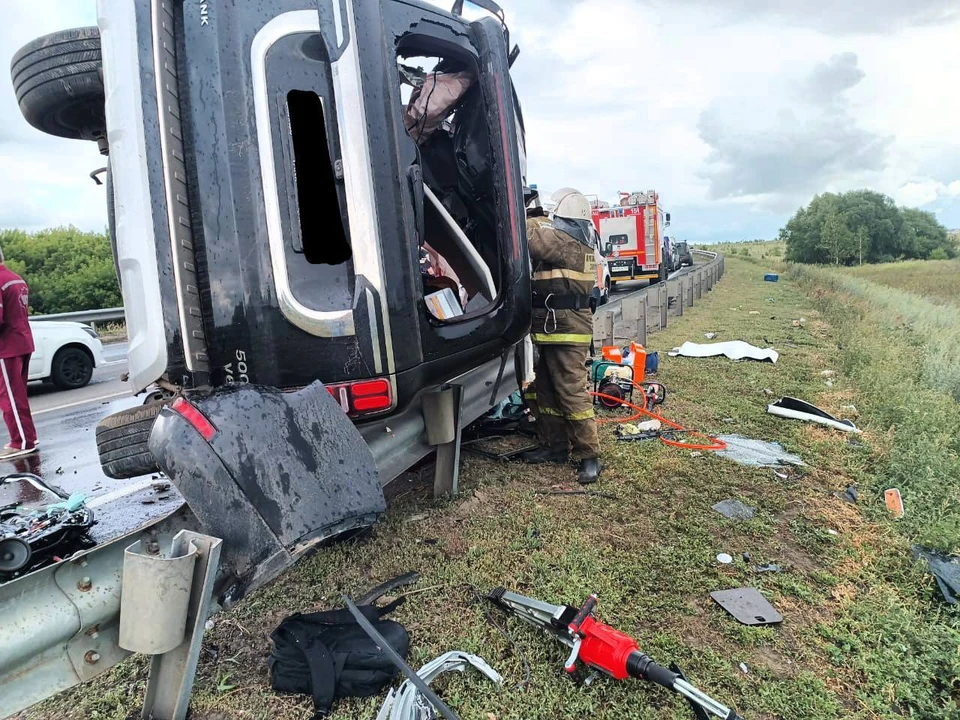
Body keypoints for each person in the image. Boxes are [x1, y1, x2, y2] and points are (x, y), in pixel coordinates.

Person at [520, 188, 602, 484]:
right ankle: (554, 447)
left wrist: (527, 211)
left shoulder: (567, 244)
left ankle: (589, 455)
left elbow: (530, 236)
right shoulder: (573, 242)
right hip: (552, 328)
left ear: (565, 219)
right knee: (546, 391)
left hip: (567, 332)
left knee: (571, 393)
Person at [0, 247, 38, 458]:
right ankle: (28, 435)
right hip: (23, 341)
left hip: (6, 347)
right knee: (19, 395)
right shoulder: (15, 279)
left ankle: (21, 441)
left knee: (10, 398)